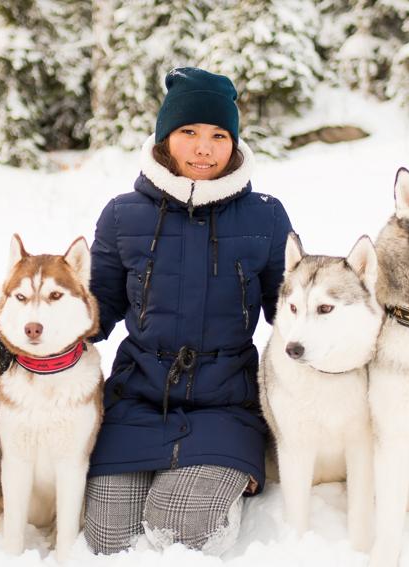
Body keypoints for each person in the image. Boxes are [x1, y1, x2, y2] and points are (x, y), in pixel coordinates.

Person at [84, 67, 294, 555]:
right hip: (136, 401)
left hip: (227, 404)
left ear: (235, 143)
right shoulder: (122, 215)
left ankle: (224, 480)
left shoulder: (265, 215)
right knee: (108, 539)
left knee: (180, 531)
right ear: (164, 139)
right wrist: (30, 338)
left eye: (220, 135)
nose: (204, 148)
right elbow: (97, 309)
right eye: (189, 133)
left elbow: (289, 312)